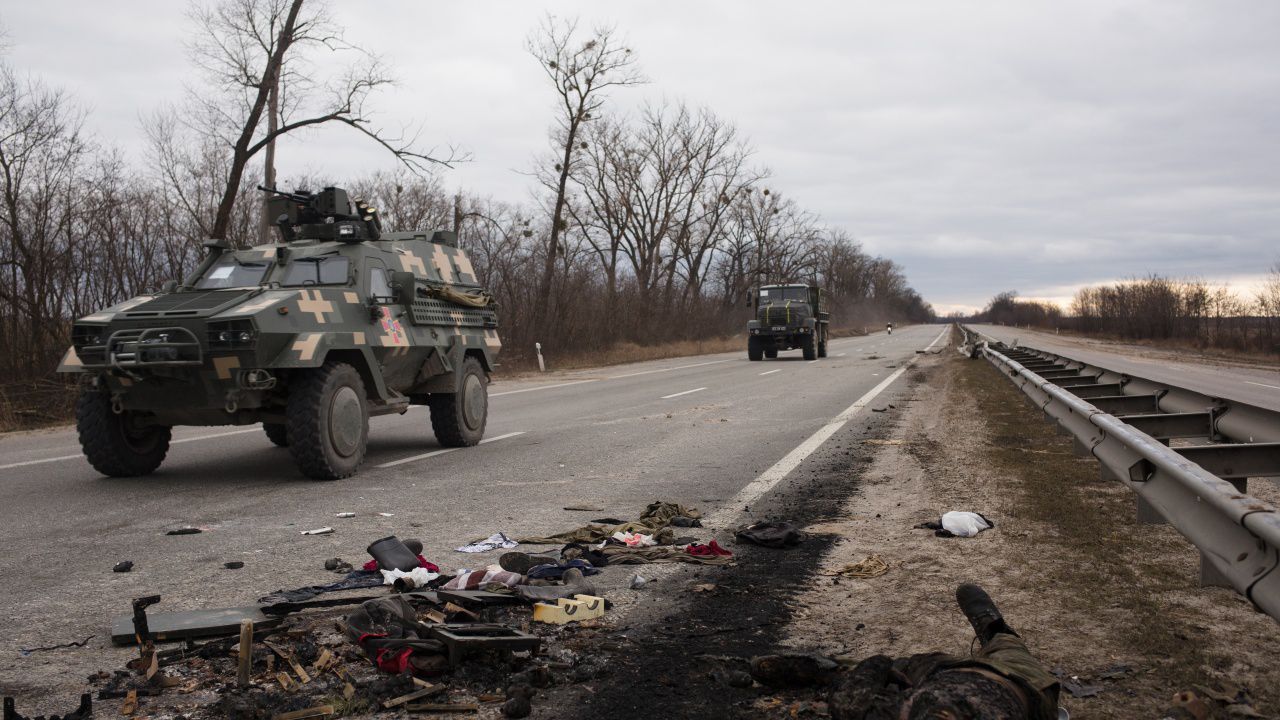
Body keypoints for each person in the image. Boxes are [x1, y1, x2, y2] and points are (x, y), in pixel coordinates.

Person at [829, 584, 1061, 720]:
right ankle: (996, 633)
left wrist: (882, 669)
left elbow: (856, 690)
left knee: (841, 668)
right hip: (1018, 681)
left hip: (935, 671)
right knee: (1008, 646)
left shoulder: (881, 713)